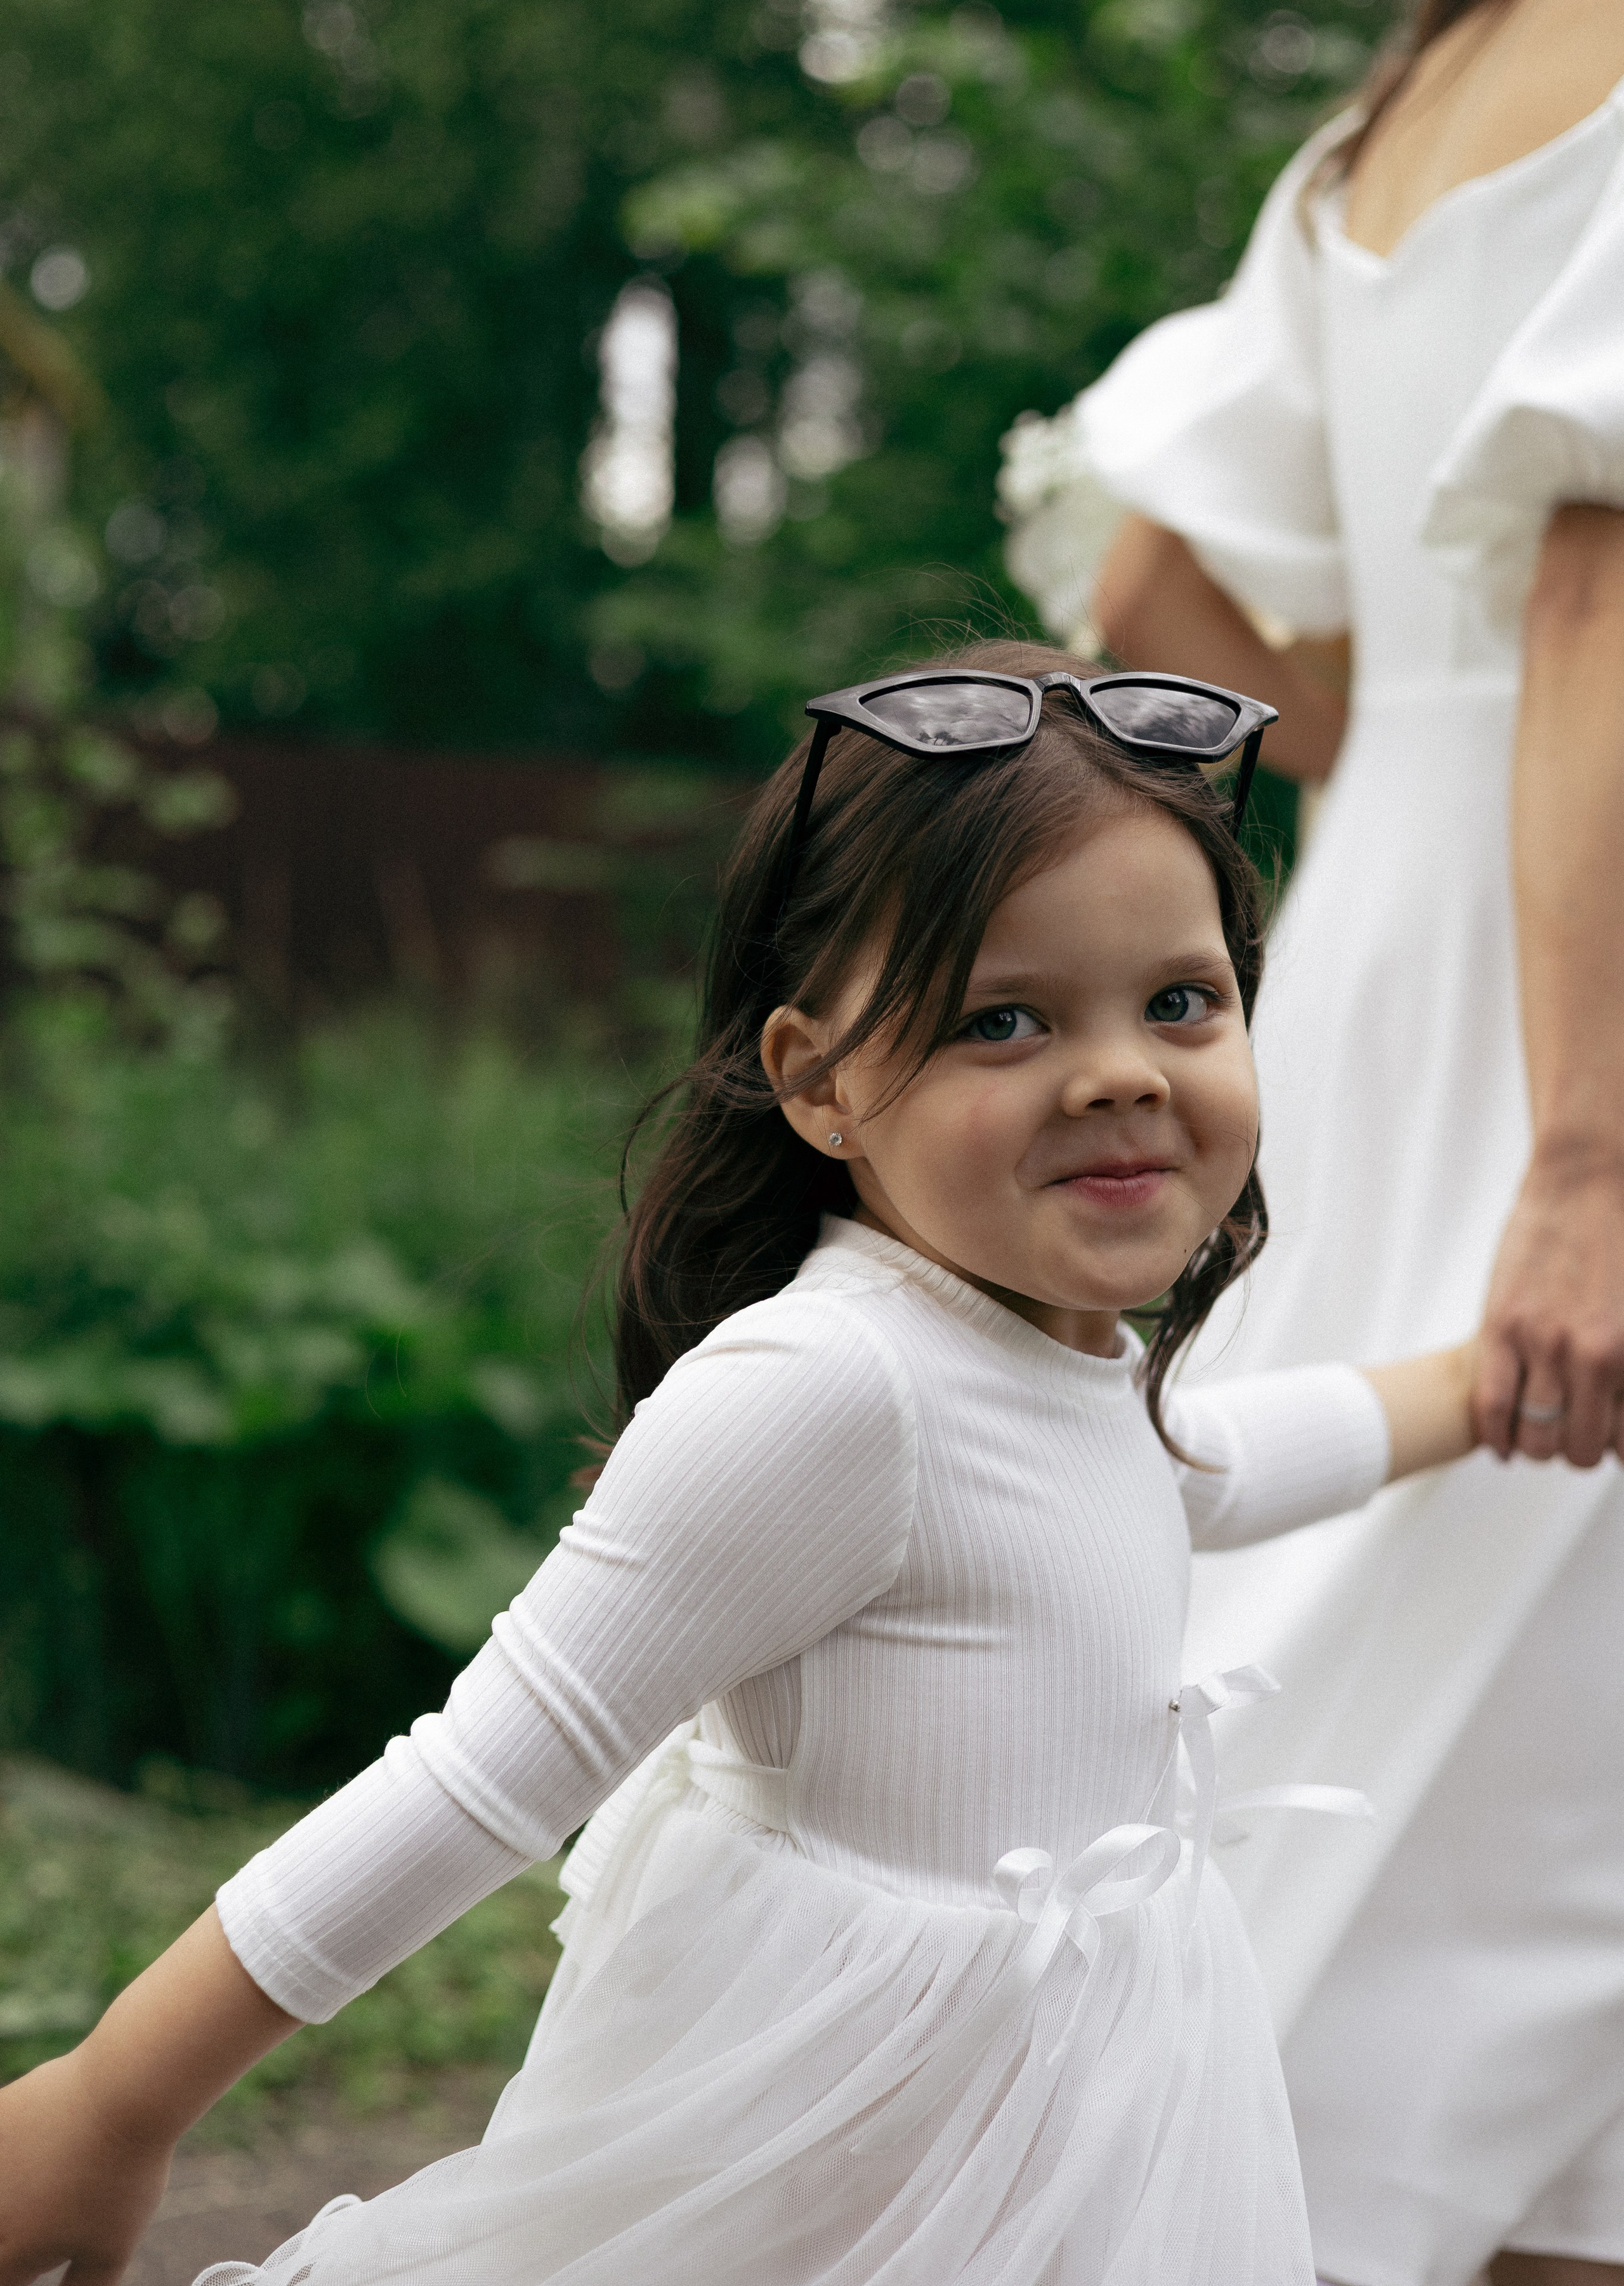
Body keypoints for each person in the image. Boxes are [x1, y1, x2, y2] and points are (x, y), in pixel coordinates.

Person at [0, 644, 1496, 2286]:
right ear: (819, 1081)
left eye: (1181, 1001)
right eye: (1005, 1017)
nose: (1126, 1068)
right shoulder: (830, 1387)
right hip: (854, 2149)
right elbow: (479, 1782)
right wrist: (112, 2104)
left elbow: (1196, 1469)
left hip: (1071, 2108)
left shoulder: (1052, 1345)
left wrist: (1479, 1388)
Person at [997, 0, 1624, 2284]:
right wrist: (1582, 1159)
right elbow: (1593, 585)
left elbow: (1158, 587)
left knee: (1474, 1810)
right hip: (1574, 1032)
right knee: (1502, 1835)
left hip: (1385, 967)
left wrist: (1416, 792)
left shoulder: (1402, 106)